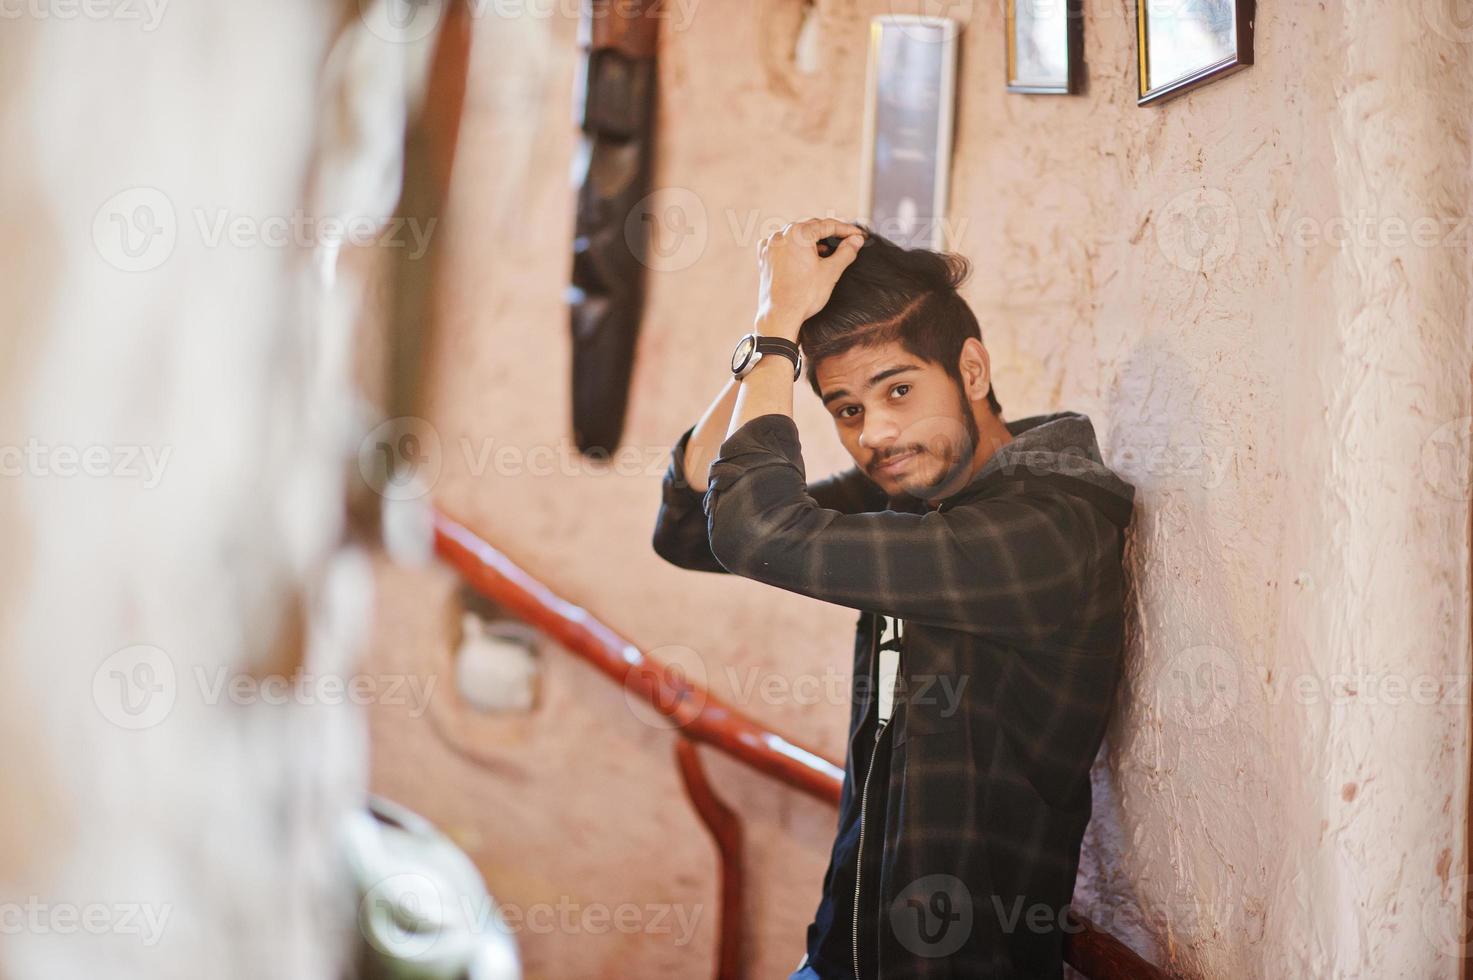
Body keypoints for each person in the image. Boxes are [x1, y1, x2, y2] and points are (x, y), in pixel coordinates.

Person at [651, 218, 1135, 979]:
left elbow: (756, 531)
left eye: (898, 390)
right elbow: (691, 525)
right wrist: (766, 339)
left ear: (970, 370)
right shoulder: (925, 492)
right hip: (840, 956)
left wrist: (779, 327)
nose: (874, 432)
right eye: (846, 410)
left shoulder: (1042, 535)